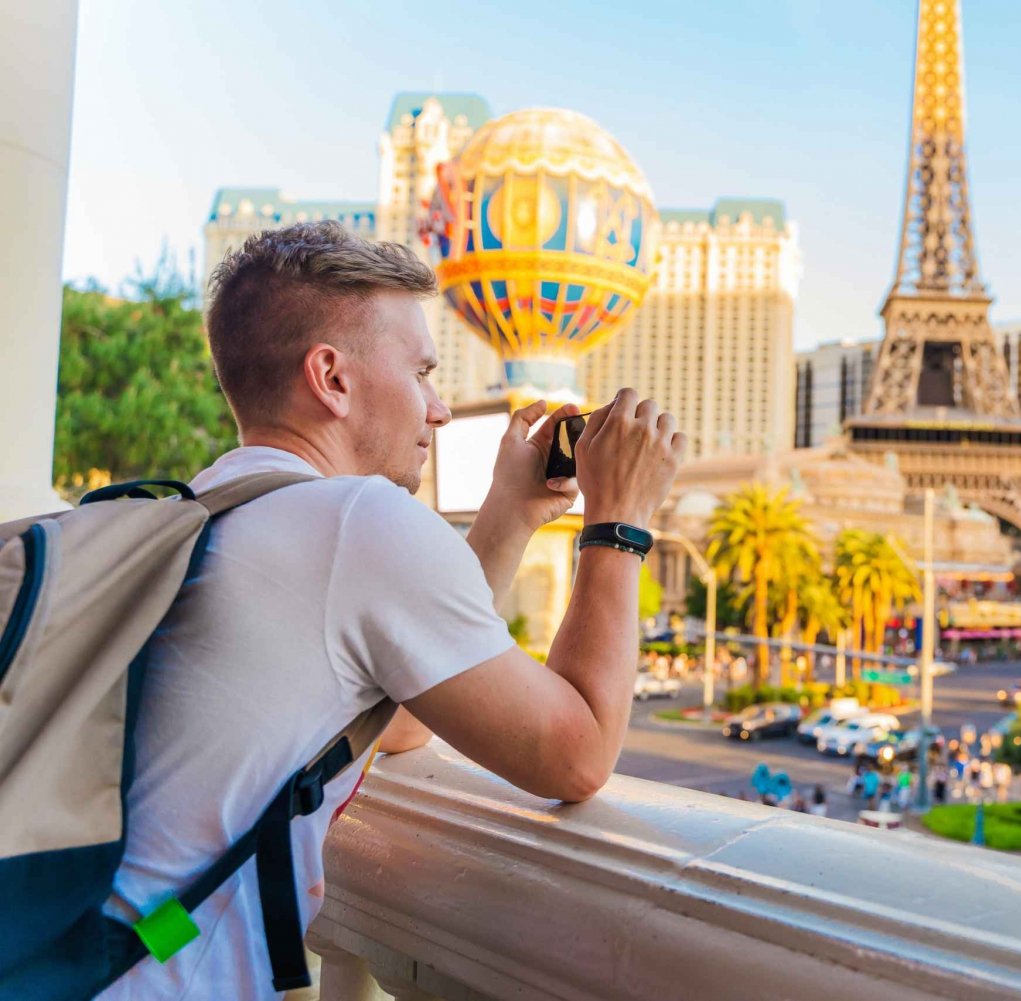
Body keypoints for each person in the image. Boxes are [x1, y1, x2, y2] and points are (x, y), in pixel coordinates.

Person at [99, 222, 686, 1000]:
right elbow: (574, 755)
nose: (439, 409)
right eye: (421, 372)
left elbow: (399, 717)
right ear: (332, 378)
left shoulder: (207, 506)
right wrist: (620, 523)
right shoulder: (357, 519)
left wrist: (507, 516)